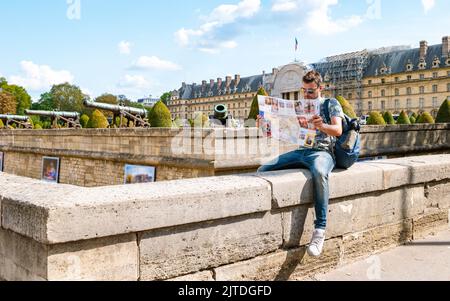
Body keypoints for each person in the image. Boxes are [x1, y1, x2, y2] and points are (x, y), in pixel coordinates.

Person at [257, 70, 345, 257]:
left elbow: (337, 130)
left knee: (320, 173)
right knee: (263, 169)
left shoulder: (331, 104)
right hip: (301, 151)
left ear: (321, 88)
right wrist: (264, 124)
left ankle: (319, 231)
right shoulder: (299, 106)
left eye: (311, 91)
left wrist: (321, 126)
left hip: (322, 152)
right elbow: (281, 131)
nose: (306, 95)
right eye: (303, 91)